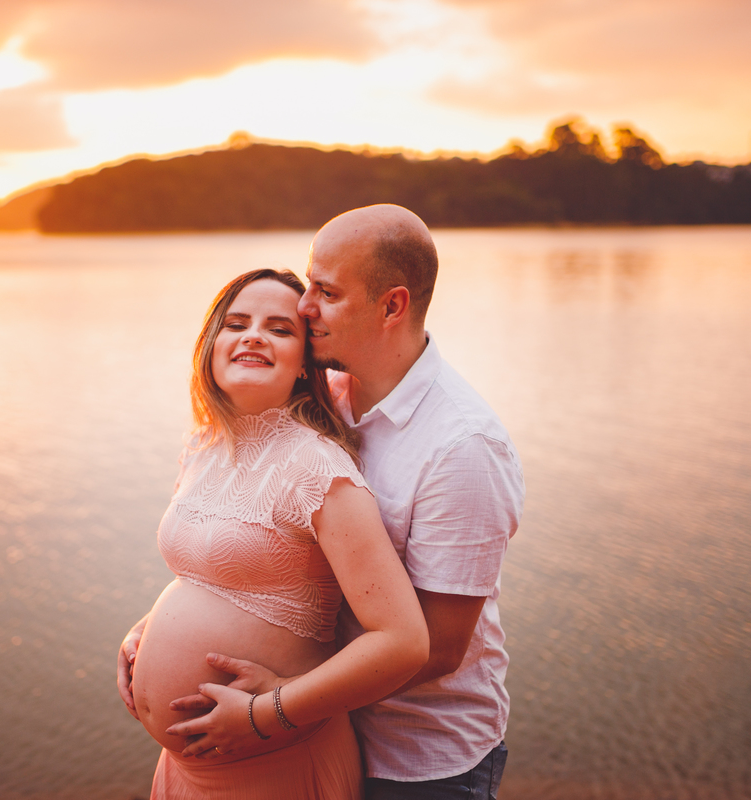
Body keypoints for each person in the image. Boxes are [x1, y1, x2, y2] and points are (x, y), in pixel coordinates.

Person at [121, 206, 525, 800]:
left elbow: (435, 646)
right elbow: (261, 560)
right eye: (309, 285)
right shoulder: (321, 398)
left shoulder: (462, 447)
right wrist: (156, 631)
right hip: (296, 728)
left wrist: (281, 699)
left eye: (326, 291)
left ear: (392, 306)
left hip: (417, 756)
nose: (305, 307)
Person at [121, 267, 430, 799]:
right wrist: (144, 633)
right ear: (211, 344)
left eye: (280, 329)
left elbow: (404, 642)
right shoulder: (205, 446)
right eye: (236, 322)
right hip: (186, 771)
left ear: (305, 362)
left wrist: (267, 714)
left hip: (276, 767)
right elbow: (215, 576)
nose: (254, 335)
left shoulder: (317, 467)